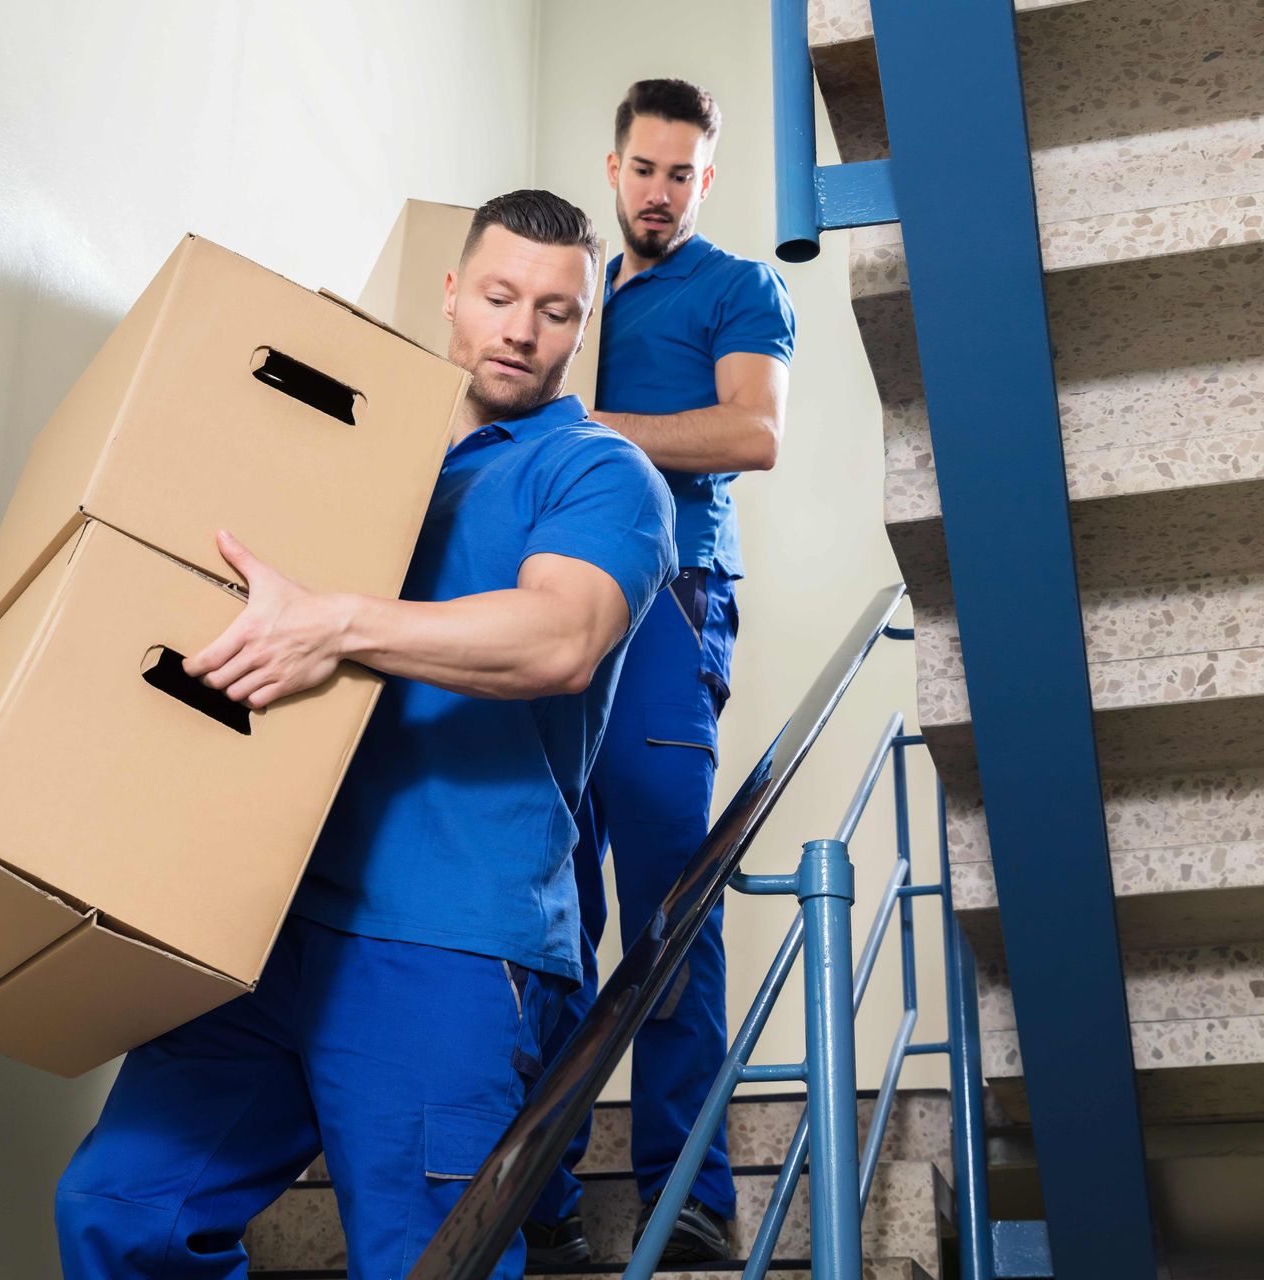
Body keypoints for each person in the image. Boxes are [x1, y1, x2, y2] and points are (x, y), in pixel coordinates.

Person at [52, 189, 676, 1279]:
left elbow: (561, 636)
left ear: (586, 325)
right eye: (497, 295)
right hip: (268, 924)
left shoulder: (596, 473)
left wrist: (335, 623)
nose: (522, 328)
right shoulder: (364, 458)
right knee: (121, 1206)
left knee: (425, 1262)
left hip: (443, 934)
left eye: (557, 310)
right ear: (450, 295)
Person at [524, 79, 796, 1268]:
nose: (661, 192)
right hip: (549, 607)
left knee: (669, 904)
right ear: (614, 165)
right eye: (645, 169)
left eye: (683, 174)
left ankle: (688, 1189)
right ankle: (542, 1191)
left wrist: (587, 421)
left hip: (670, 610)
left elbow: (753, 434)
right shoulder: (578, 291)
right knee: (548, 905)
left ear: (706, 179)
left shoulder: (738, 286)